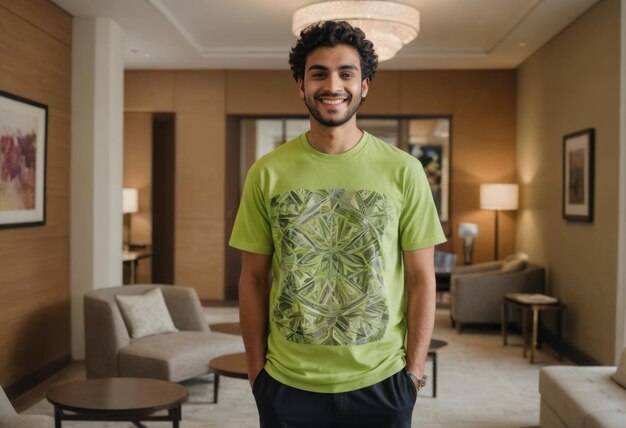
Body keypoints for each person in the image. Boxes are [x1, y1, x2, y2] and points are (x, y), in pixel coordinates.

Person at [229, 20, 446, 428]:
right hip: (287, 382)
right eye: (318, 73)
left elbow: (421, 279)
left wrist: (413, 373)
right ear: (301, 85)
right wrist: (258, 374)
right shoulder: (267, 172)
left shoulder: (405, 171)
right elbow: (253, 279)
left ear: (364, 85)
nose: (333, 85)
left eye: (346, 73)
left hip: (382, 382)